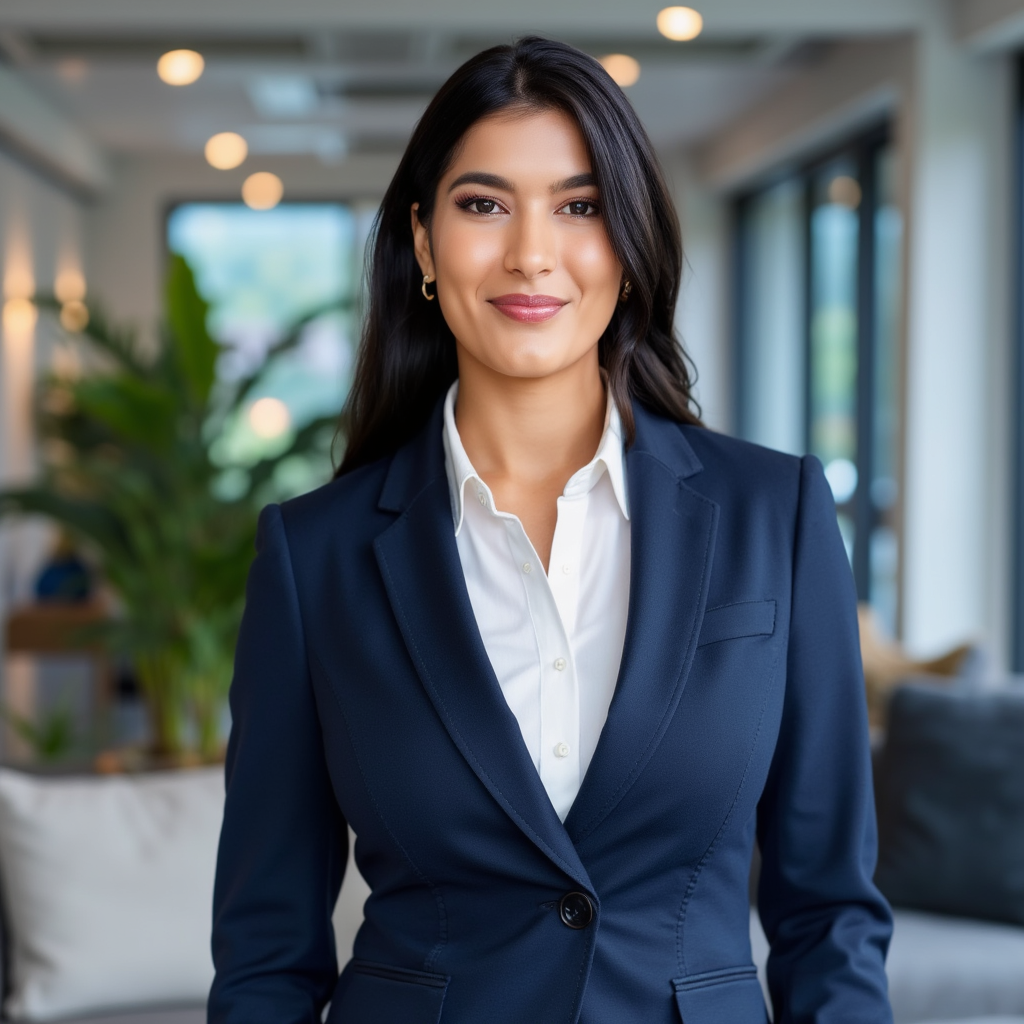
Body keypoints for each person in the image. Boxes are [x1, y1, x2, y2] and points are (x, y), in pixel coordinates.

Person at [209, 36, 893, 1024]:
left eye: (578, 206)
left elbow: (828, 913)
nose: (531, 251)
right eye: (483, 204)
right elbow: (267, 953)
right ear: (422, 241)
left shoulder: (772, 516)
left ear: (628, 242)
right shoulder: (315, 557)